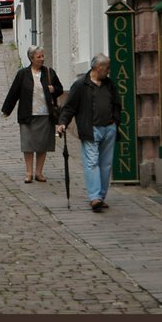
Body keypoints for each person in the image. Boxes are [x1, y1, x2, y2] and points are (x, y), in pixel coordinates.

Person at [56, 53, 121, 212]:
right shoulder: (80, 85)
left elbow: (117, 103)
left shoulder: (109, 84)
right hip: (90, 129)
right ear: (97, 68)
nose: (108, 71)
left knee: (105, 165)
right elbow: (70, 106)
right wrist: (63, 123)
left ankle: (101, 196)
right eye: (106, 68)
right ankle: (95, 198)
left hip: (109, 128)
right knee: (92, 162)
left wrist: (115, 120)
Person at [2, 45, 63, 182]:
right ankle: (29, 173)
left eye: (43, 56)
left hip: (45, 115)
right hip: (27, 115)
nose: (42, 59)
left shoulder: (49, 72)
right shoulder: (22, 74)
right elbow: (14, 92)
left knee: (42, 144)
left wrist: (54, 89)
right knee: (28, 144)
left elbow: (60, 89)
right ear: (31, 58)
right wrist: (7, 109)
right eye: (39, 56)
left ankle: (39, 172)